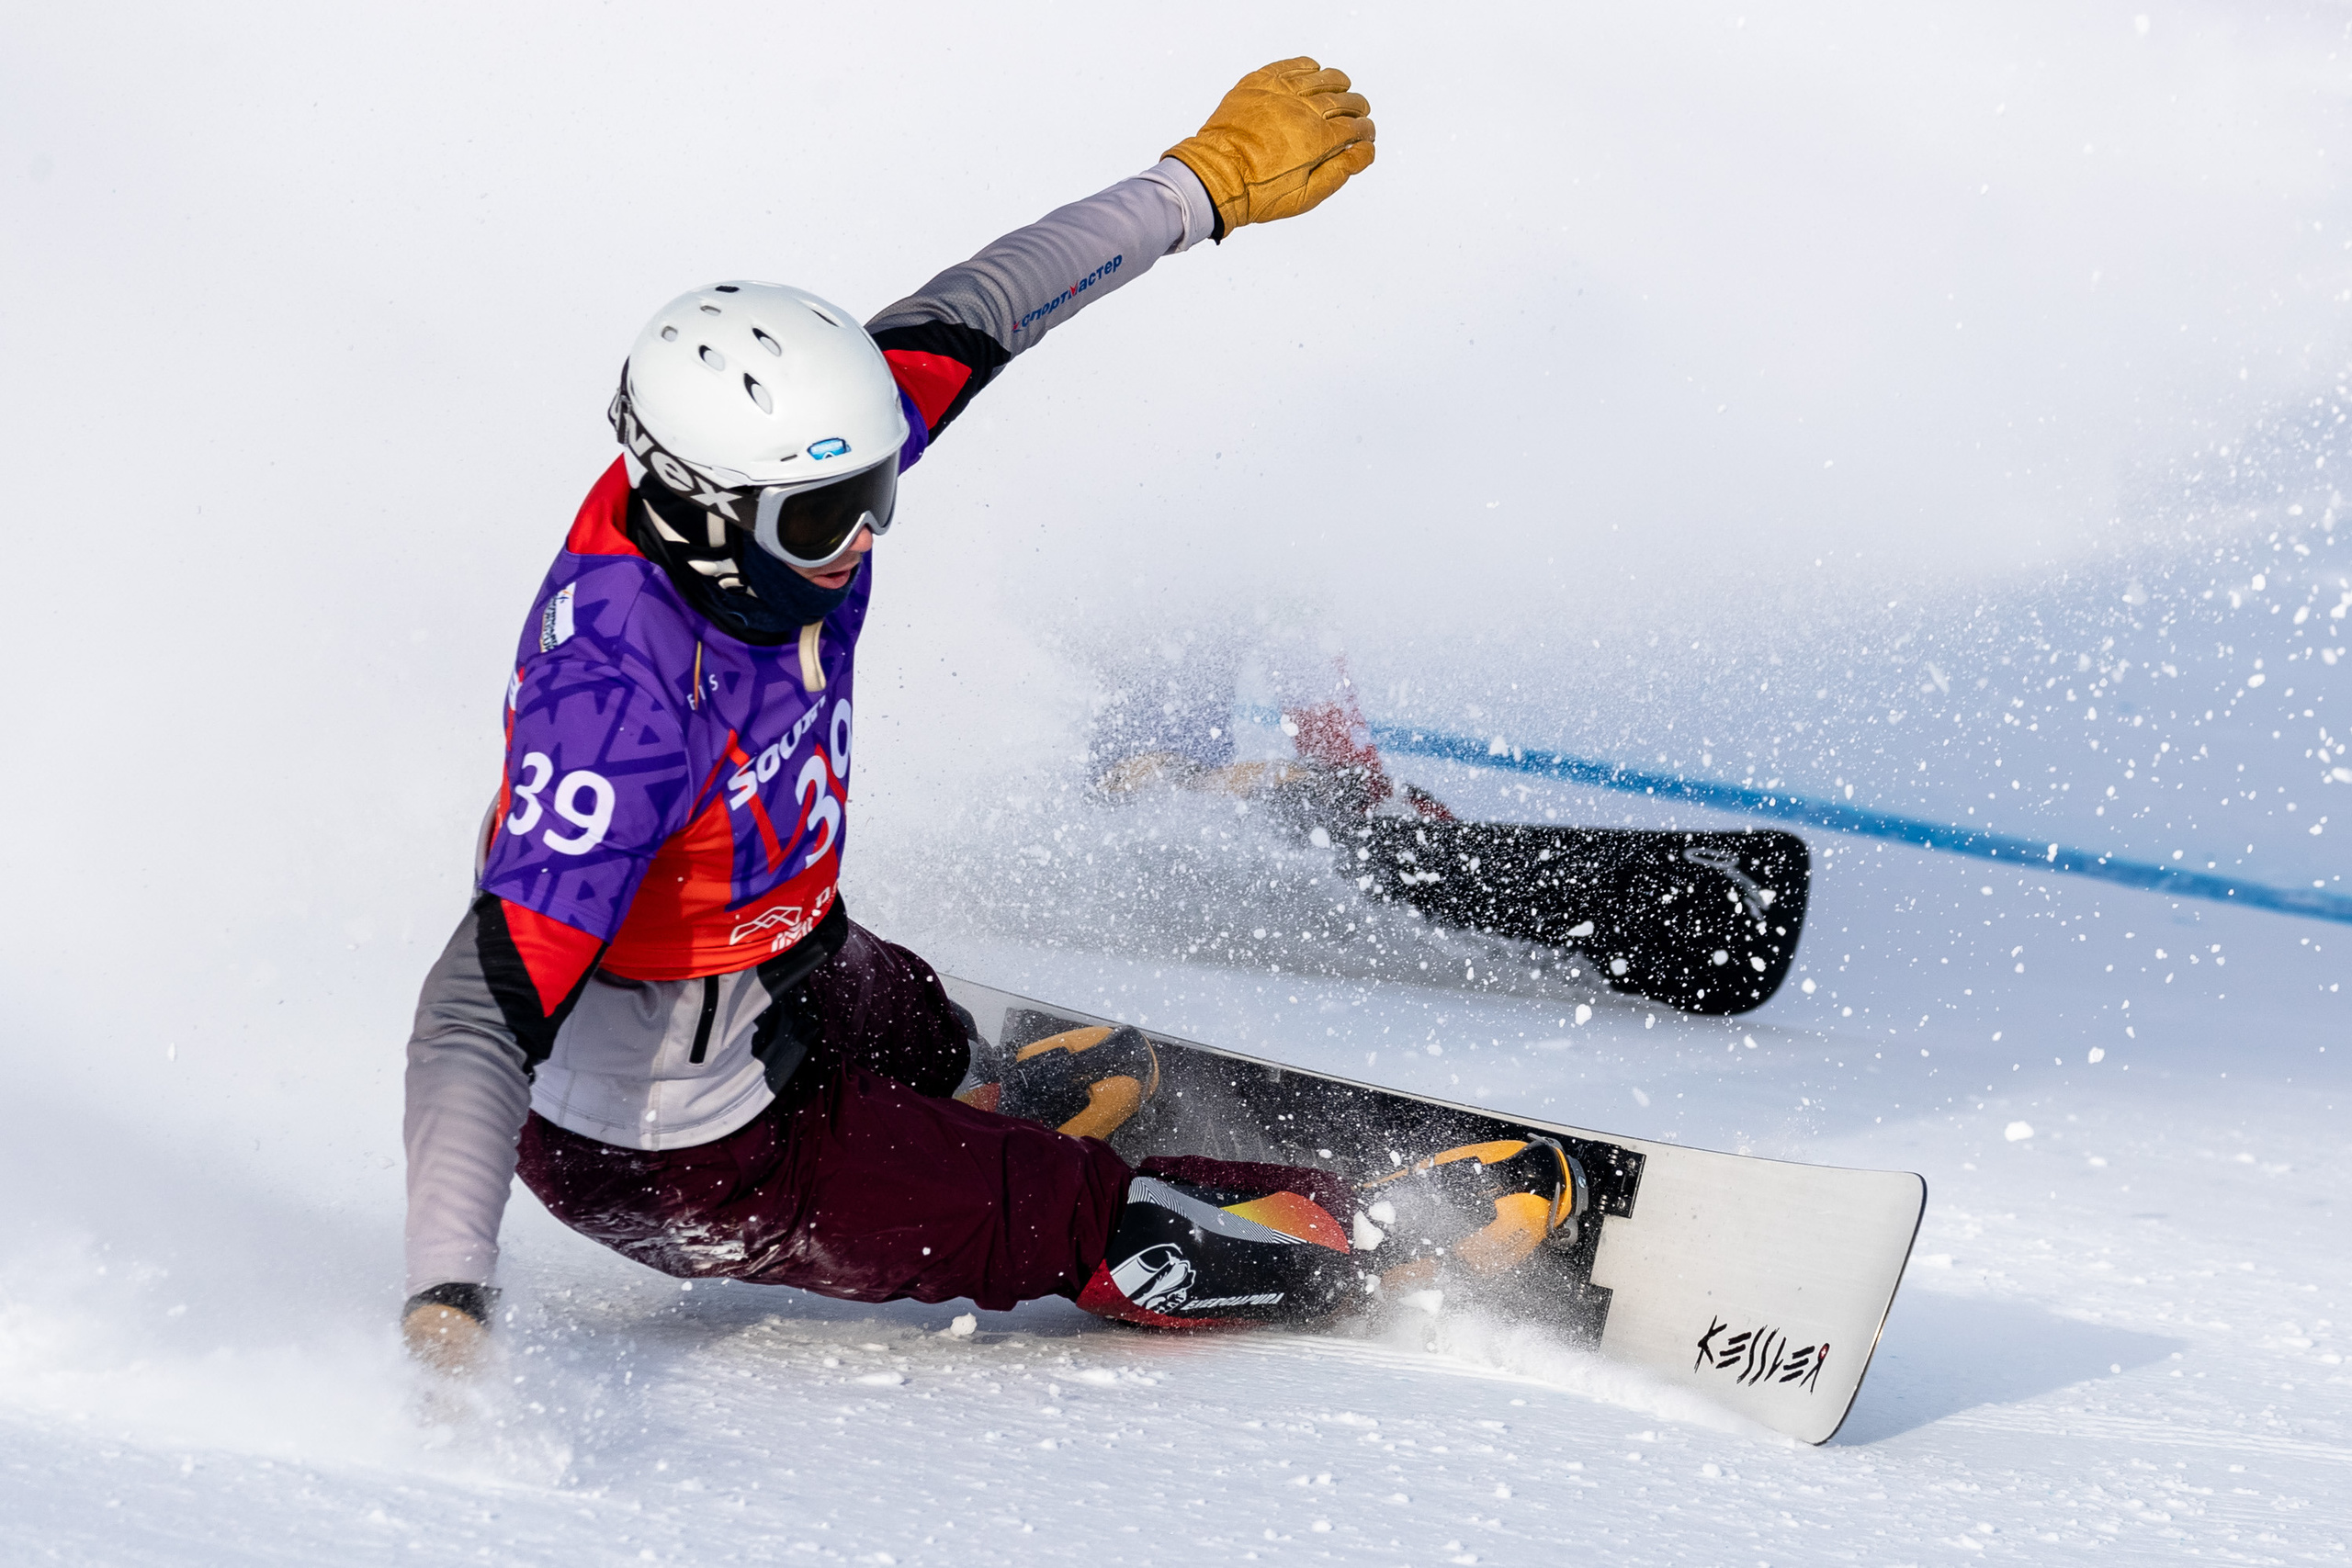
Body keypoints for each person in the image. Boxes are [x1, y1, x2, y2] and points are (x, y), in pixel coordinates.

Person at [401, 58, 1582, 1370]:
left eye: (872, 493)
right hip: (681, 1157)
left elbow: (990, 303)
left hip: (774, 960)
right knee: (1091, 1222)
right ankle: (1346, 1240)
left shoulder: (774, 482)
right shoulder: (616, 712)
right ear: (699, 502)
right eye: (821, 518)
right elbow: (474, 1014)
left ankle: (969, 1088)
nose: (856, 541)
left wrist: (1205, 181)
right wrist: (449, 1296)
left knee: (896, 1004)